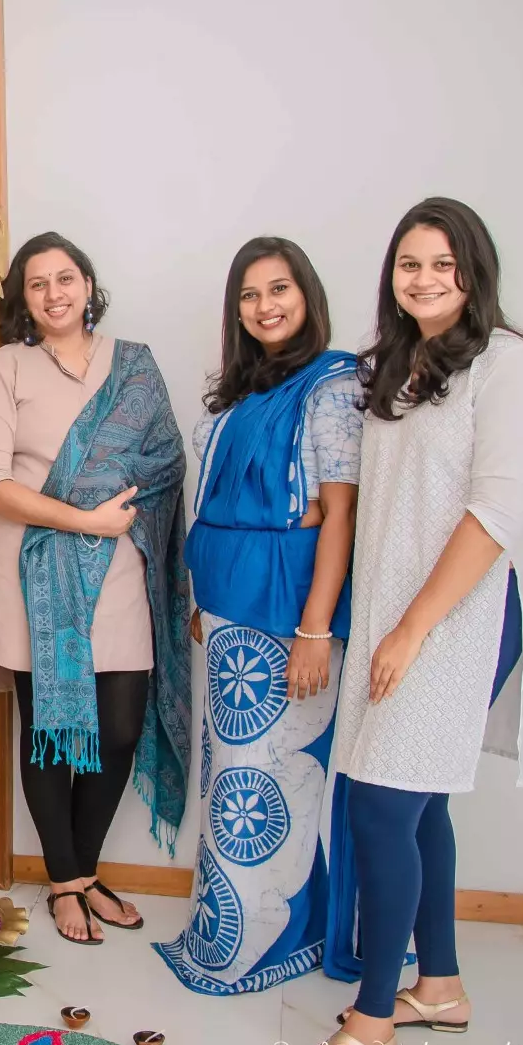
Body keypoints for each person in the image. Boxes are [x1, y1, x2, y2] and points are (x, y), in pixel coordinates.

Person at [285, 198, 523, 1045]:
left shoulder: (509, 366)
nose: (426, 278)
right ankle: (438, 985)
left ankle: (371, 1026)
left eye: (444, 263)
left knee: (378, 805)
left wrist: (412, 627)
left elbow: (494, 513)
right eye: (410, 263)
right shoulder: (397, 368)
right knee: (420, 803)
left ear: (474, 272)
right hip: (390, 612)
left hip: (456, 618)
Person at [0, 232, 191, 945]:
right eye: (37, 284)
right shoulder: (6, 367)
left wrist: (107, 517)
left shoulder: (135, 365)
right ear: (22, 298)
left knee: (118, 728)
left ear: (88, 285)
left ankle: (84, 870)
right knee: (50, 732)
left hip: (120, 568)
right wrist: (84, 517)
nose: (54, 293)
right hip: (35, 571)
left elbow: (166, 461)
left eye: (65, 278)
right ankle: (66, 881)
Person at [154, 239, 358, 993]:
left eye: (279, 288)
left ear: (307, 295)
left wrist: (315, 630)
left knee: (270, 782)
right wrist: (203, 598)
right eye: (250, 294)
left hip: (286, 614)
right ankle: (233, 929)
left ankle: (268, 939)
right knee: (231, 775)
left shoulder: (333, 385)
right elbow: (217, 502)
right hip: (229, 613)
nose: (265, 305)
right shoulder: (241, 391)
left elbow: (338, 515)